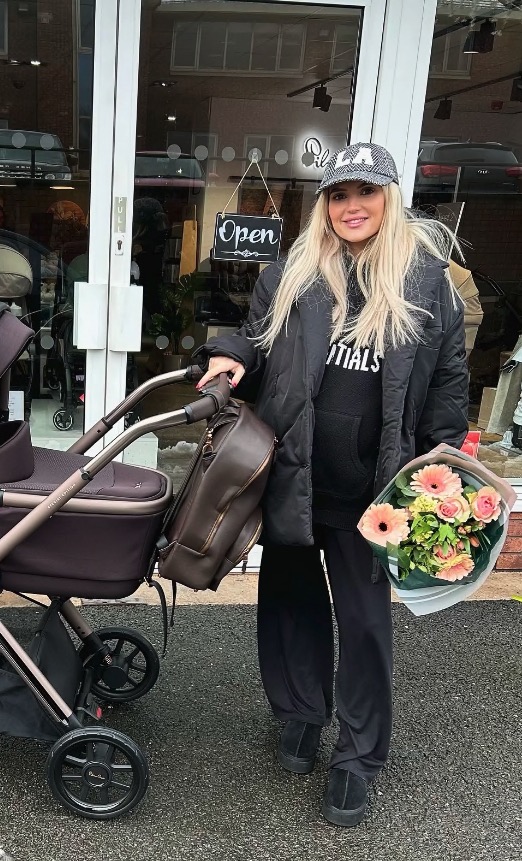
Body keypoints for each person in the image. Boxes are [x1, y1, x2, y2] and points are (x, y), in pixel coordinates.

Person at [196, 142, 468, 827]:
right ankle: (299, 712)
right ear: (326, 204)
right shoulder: (294, 270)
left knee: (368, 624)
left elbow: (446, 382)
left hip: (374, 489)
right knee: (290, 604)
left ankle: (358, 756)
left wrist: (442, 471)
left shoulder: (427, 282)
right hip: (295, 469)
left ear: (389, 199)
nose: (352, 207)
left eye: (365, 193)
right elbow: (253, 341)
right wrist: (227, 357)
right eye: (339, 195)